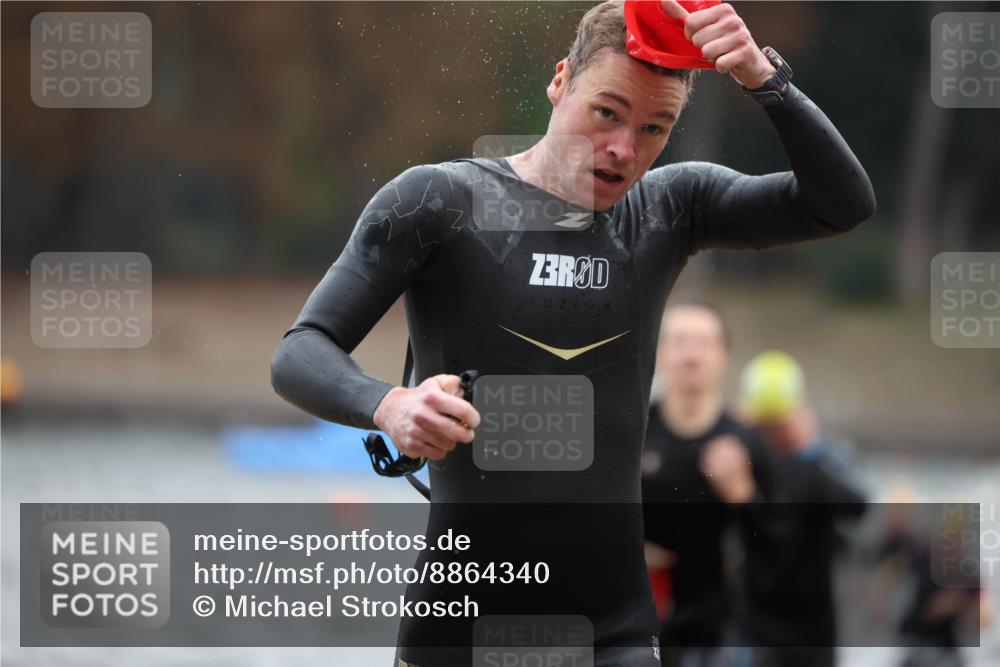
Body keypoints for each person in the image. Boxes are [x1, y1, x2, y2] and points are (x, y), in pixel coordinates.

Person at [270, 1, 876, 664]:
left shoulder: (669, 210)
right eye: (607, 112)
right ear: (560, 81)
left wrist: (764, 78)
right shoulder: (438, 203)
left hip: (613, 636)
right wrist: (391, 405)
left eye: (654, 128)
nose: (624, 149)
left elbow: (841, 205)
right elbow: (301, 351)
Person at [641, 301, 775, 666]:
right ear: (659, 353)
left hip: (718, 628)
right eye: (680, 341)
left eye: (704, 342)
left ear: (724, 356)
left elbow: (779, 547)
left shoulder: (747, 442)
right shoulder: (634, 433)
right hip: (637, 623)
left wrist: (744, 497)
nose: (692, 354)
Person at [736, 351, 869, 667]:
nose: (772, 433)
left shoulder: (821, 461)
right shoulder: (743, 460)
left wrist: (810, 449)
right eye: (765, 426)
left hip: (813, 626)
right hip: (756, 623)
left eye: (777, 424)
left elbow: (857, 506)